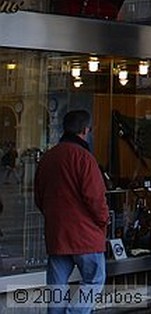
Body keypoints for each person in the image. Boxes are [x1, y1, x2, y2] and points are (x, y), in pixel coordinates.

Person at [34, 109, 109, 313]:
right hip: (85, 235)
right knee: (94, 281)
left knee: (57, 289)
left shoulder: (48, 158)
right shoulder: (84, 158)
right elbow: (95, 198)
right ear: (85, 130)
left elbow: (39, 197)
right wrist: (103, 222)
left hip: (57, 234)